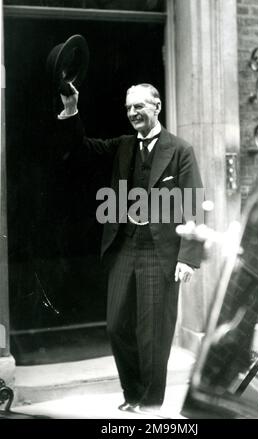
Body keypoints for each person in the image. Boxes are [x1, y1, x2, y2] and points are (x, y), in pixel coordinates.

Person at [57, 82, 204, 414]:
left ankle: (150, 405)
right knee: (116, 325)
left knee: (153, 333)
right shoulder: (123, 147)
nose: (133, 113)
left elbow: (194, 203)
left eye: (140, 106)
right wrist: (71, 110)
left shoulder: (180, 150)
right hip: (125, 246)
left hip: (159, 252)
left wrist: (188, 258)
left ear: (157, 106)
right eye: (128, 108)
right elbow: (80, 149)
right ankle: (134, 392)